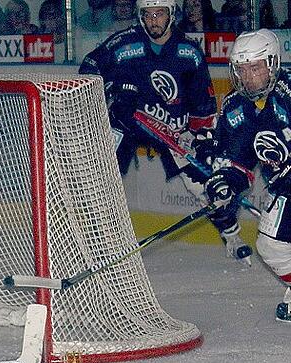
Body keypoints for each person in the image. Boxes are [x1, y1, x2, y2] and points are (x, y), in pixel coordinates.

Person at [78, 0, 252, 265]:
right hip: (126, 123)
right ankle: (92, 240)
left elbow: (203, 105)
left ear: (171, 15)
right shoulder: (123, 43)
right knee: (100, 175)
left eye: (159, 14)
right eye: (147, 15)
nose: (153, 21)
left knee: (205, 182)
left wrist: (204, 140)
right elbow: (89, 66)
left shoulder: (189, 53)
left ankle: (231, 234)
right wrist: (112, 89)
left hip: (172, 128)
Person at [202, 30, 291, 322]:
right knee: (271, 245)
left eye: (255, 68)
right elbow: (237, 160)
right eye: (241, 70)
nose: (247, 77)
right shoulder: (234, 107)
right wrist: (225, 181)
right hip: (286, 185)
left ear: (273, 64)